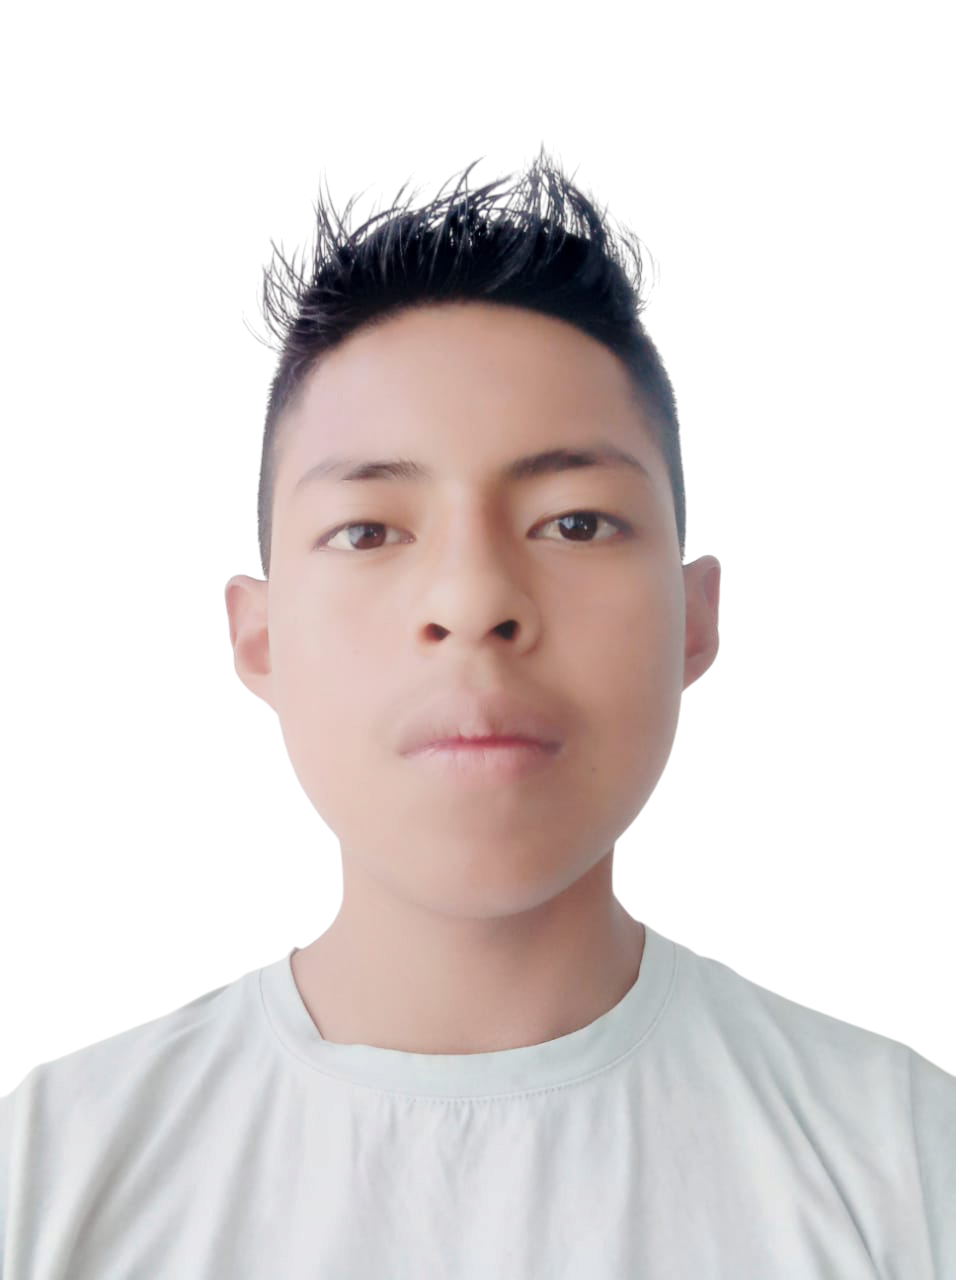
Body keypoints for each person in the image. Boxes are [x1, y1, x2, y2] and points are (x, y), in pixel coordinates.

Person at [1, 146, 952, 1276]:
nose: (471, 600)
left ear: (694, 618)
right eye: (368, 530)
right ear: (258, 637)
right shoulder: (48, 1175)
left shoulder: (902, 1164)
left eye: (575, 522)